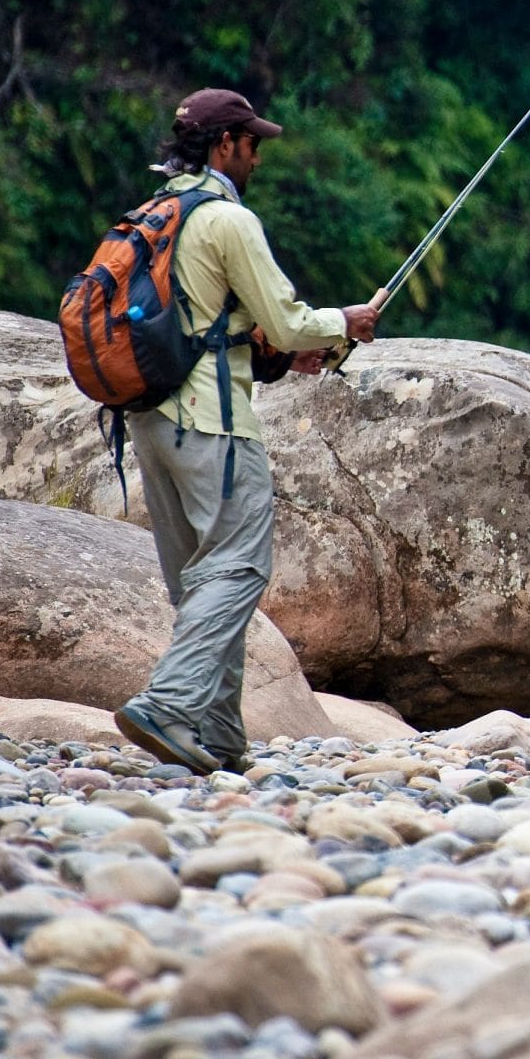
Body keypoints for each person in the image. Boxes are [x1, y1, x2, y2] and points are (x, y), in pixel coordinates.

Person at [113, 89, 380, 775]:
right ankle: (169, 705)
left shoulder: (156, 210)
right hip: (213, 423)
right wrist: (342, 323)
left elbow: (220, 322)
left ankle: (221, 737)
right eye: (251, 141)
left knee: (201, 581)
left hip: (148, 417)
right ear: (225, 143)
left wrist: (290, 349)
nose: (258, 154)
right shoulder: (228, 218)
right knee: (239, 567)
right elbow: (288, 321)